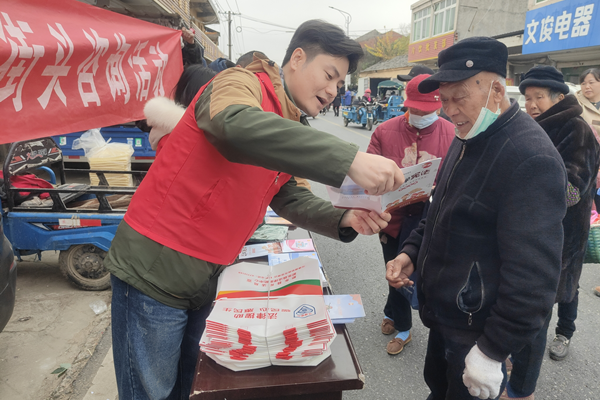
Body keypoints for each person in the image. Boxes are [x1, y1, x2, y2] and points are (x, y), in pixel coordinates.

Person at [105, 19, 405, 400]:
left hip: (206, 277)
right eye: (329, 75)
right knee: (151, 393)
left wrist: (344, 217)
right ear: (298, 58)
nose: (333, 91)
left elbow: (287, 194)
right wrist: (350, 160)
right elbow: (232, 124)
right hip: (155, 272)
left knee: (190, 390)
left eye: (340, 84)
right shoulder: (240, 83)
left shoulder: (286, 122)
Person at [386, 36, 567, 400]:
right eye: (444, 100)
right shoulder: (468, 134)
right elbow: (440, 208)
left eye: (459, 97)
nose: (450, 111)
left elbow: (534, 278)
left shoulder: (530, 157)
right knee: (438, 388)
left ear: (496, 90)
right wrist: (411, 252)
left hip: (477, 328)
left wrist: (492, 351)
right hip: (446, 316)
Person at [500, 65, 600, 399]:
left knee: (535, 318)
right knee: (518, 310)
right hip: (526, 236)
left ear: (558, 98)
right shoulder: (532, 127)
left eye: (539, 97)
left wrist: (522, 182)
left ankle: (522, 389)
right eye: (527, 98)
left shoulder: (577, 130)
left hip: (557, 242)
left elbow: (571, 192)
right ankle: (513, 362)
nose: (531, 104)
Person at [367, 74, 454, 355]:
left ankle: (392, 314)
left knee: (413, 275)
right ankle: (403, 327)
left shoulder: (453, 134)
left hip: (429, 220)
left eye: (427, 110)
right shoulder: (384, 131)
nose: (420, 115)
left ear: (439, 106)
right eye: (415, 109)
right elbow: (368, 171)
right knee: (394, 271)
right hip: (392, 220)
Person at [575, 68, 600, 212]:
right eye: (583, 83)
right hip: (586, 160)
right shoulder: (576, 104)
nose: (587, 87)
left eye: (591, 82)